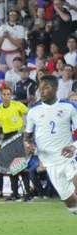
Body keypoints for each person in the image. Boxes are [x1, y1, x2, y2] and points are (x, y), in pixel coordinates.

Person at [24, 75, 77, 215]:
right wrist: (27, 145)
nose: (41, 91)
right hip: (50, 162)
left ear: (55, 89)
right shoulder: (33, 112)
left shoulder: (69, 107)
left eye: (45, 88)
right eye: (40, 88)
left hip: (69, 156)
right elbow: (27, 137)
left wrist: (74, 147)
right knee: (71, 204)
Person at [0, 87, 32, 201]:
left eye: (8, 94)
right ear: (1, 96)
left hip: (19, 136)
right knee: (12, 167)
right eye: (4, 94)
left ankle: (28, 193)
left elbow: (30, 114)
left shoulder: (17, 105)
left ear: (11, 95)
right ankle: (15, 193)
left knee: (23, 166)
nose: (6, 96)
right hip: (7, 137)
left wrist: (28, 130)